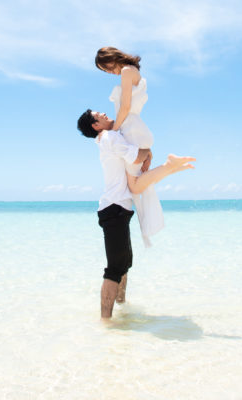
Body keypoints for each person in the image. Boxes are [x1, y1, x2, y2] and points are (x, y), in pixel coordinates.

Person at [77, 109, 195, 319]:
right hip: (113, 208)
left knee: (124, 264)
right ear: (95, 125)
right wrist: (148, 150)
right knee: (115, 268)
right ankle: (106, 322)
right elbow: (136, 156)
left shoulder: (107, 138)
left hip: (118, 209)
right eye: (99, 114)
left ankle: (122, 307)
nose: (104, 113)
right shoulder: (110, 137)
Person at [95, 46, 163, 246]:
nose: (108, 72)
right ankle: (146, 230)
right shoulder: (133, 72)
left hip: (131, 129)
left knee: (133, 185)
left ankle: (169, 167)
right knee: (134, 184)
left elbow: (125, 107)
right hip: (134, 129)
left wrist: (115, 131)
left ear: (111, 58)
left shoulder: (126, 71)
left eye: (106, 67)